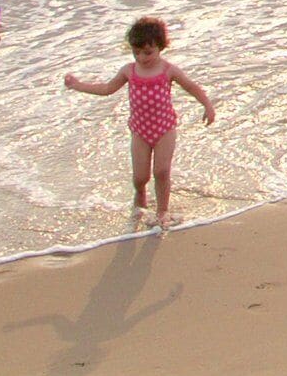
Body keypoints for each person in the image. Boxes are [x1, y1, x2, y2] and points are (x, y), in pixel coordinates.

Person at [65, 17, 215, 224]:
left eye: (147, 52)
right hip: (140, 130)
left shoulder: (168, 70)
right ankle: (140, 194)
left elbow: (191, 86)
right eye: (136, 52)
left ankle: (162, 211)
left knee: (161, 171)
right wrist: (78, 85)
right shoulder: (129, 70)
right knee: (140, 177)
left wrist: (207, 106)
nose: (142, 58)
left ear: (160, 47)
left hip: (165, 128)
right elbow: (107, 89)